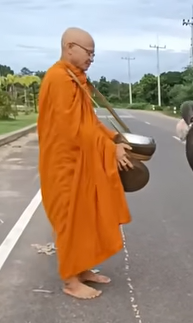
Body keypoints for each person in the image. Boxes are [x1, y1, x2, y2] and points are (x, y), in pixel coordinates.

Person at [37, 27, 134, 299]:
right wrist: (109, 149)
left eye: (93, 53)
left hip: (80, 161)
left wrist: (113, 137)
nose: (91, 58)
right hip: (64, 165)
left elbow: (88, 122)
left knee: (84, 219)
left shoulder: (74, 78)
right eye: (88, 52)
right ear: (70, 47)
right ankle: (70, 281)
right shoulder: (59, 79)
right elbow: (73, 129)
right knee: (69, 221)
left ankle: (80, 269)